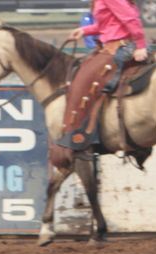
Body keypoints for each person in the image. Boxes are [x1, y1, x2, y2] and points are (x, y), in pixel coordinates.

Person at [59, 0, 148, 151]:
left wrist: (140, 45)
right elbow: (107, 25)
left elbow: (130, 19)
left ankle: (85, 134)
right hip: (111, 47)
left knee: (86, 82)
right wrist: (85, 31)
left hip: (120, 48)